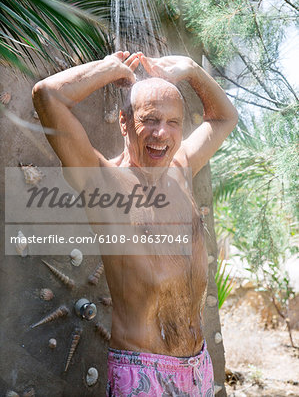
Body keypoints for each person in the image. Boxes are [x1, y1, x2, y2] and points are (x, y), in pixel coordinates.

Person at [32, 51, 238, 396]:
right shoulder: (101, 181)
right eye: (151, 119)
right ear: (125, 122)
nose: (162, 133)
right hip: (143, 373)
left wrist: (191, 69)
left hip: (199, 367)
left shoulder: (181, 167)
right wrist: (110, 69)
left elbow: (224, 118)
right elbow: (46, 96)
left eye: (173, 122)